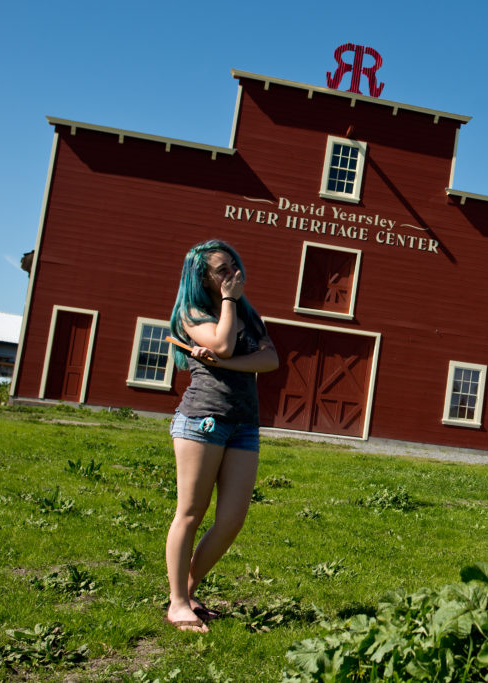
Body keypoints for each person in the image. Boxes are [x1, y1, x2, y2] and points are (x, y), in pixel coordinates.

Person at [165, 239, 279, 632]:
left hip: (244, 423)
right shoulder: (192, 313)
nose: (232, 274)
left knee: (231, 519)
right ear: (203, 277)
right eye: (221, 270)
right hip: (203, 419)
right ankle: (178, 602)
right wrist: (228, 304)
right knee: (191, 513)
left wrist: (231, 362)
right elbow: (224, 342)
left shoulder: (249, 312)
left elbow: (270, 359)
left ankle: (189, 590)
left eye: (234, 265)